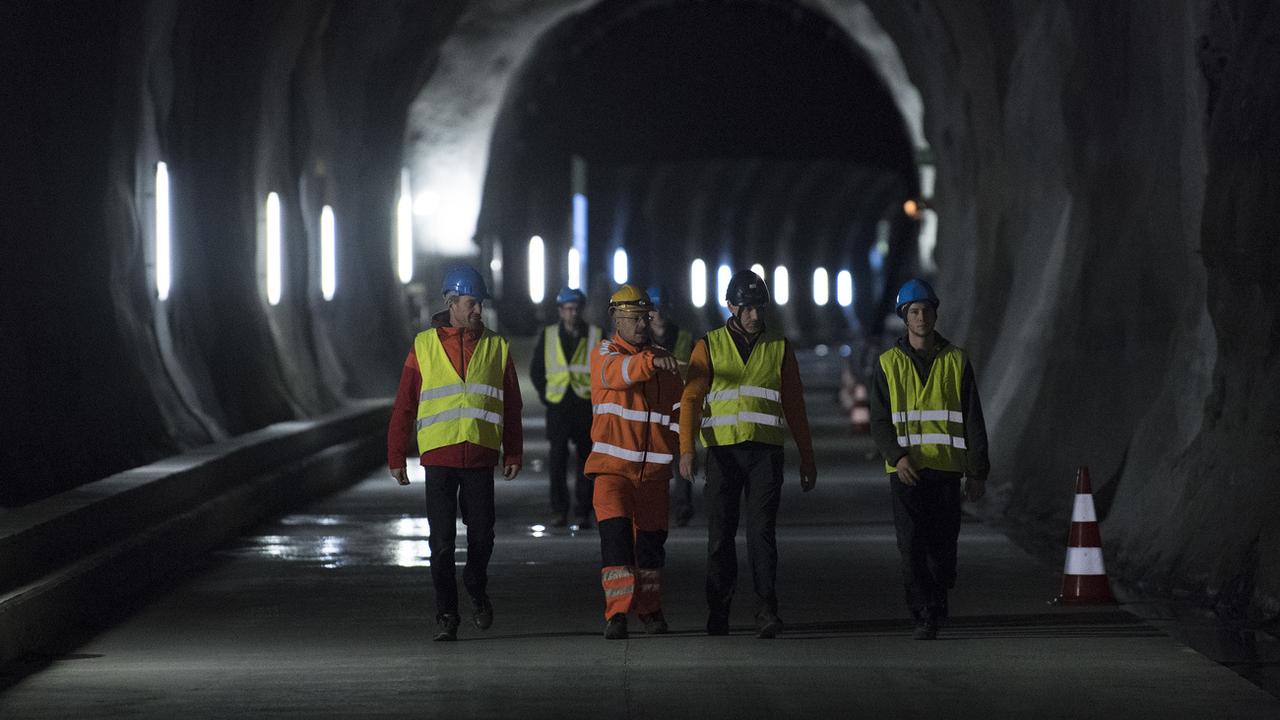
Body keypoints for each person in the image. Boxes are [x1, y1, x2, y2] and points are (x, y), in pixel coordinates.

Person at [387, 265, 523, 642]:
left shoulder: (497, 347)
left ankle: (475, 584)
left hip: (480, 456)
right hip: (440, 458)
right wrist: (397, 455)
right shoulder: (424, 346)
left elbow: (511, 405)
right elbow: (404, 404)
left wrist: (512, 451)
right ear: (451, 303)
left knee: (482, 536)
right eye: (471, 303)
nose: (478, 309)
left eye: (480, 303)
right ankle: (447, 613)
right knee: (441, 542)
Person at [679, 270, 816, 639]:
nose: (756, 315)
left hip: (765, 454)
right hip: (723, 454)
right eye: (749, 308)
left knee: (762, 533)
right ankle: (718, 610)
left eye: (760, 308)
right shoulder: (707, 346)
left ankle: (766, 608)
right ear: (732, 307)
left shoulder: (779, 347)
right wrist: (686, 449)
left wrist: (807, 456)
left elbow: (794, 405)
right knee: (720, 536)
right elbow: (690, 399)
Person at [869, 278, 989, 640]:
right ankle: (923, 612)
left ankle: (938, 597)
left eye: (926, 310)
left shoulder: (957, 360)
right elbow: (879, 418)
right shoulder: (888, 364)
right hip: (906, 471)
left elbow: (972, 418)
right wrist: (897, 456)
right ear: (905, 318)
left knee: (942, 546)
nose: (921, 317)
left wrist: (977, 470)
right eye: (914, 312)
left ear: (936, 314)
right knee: (911, 546)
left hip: (946, 469)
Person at [585, 284, 683, 640]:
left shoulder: (663, 360)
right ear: (616, 319)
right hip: (611, 471)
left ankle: (651, 609)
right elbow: (617, 374)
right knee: (616, 544)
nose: (641, 325)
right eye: (633, 318)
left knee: (652, 548)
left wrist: (684, 450)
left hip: (654, 473)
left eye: (644, 317)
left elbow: (677, 413)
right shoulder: (604, 354)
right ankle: (617, 615)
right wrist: (652, 361)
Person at [530, 287, 602, 528]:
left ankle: (583, 512)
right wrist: (546, 396)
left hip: (585, 405)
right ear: (560, 311)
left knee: (586, 461)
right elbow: (537, 370)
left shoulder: (595, 334)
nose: (572, 313)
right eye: (568, 309)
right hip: (558, 407)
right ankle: (559, 511)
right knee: (557, 461)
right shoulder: (548, 335)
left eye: (575, 309)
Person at [647, 285, 697, 526]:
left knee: (683, 457)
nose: (660, 312)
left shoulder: (686, 338)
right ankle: (657, 505)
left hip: (680, 407)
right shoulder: (641, 340)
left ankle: (683, 506)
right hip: (652, 408)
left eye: (662, 306)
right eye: (655, 308)